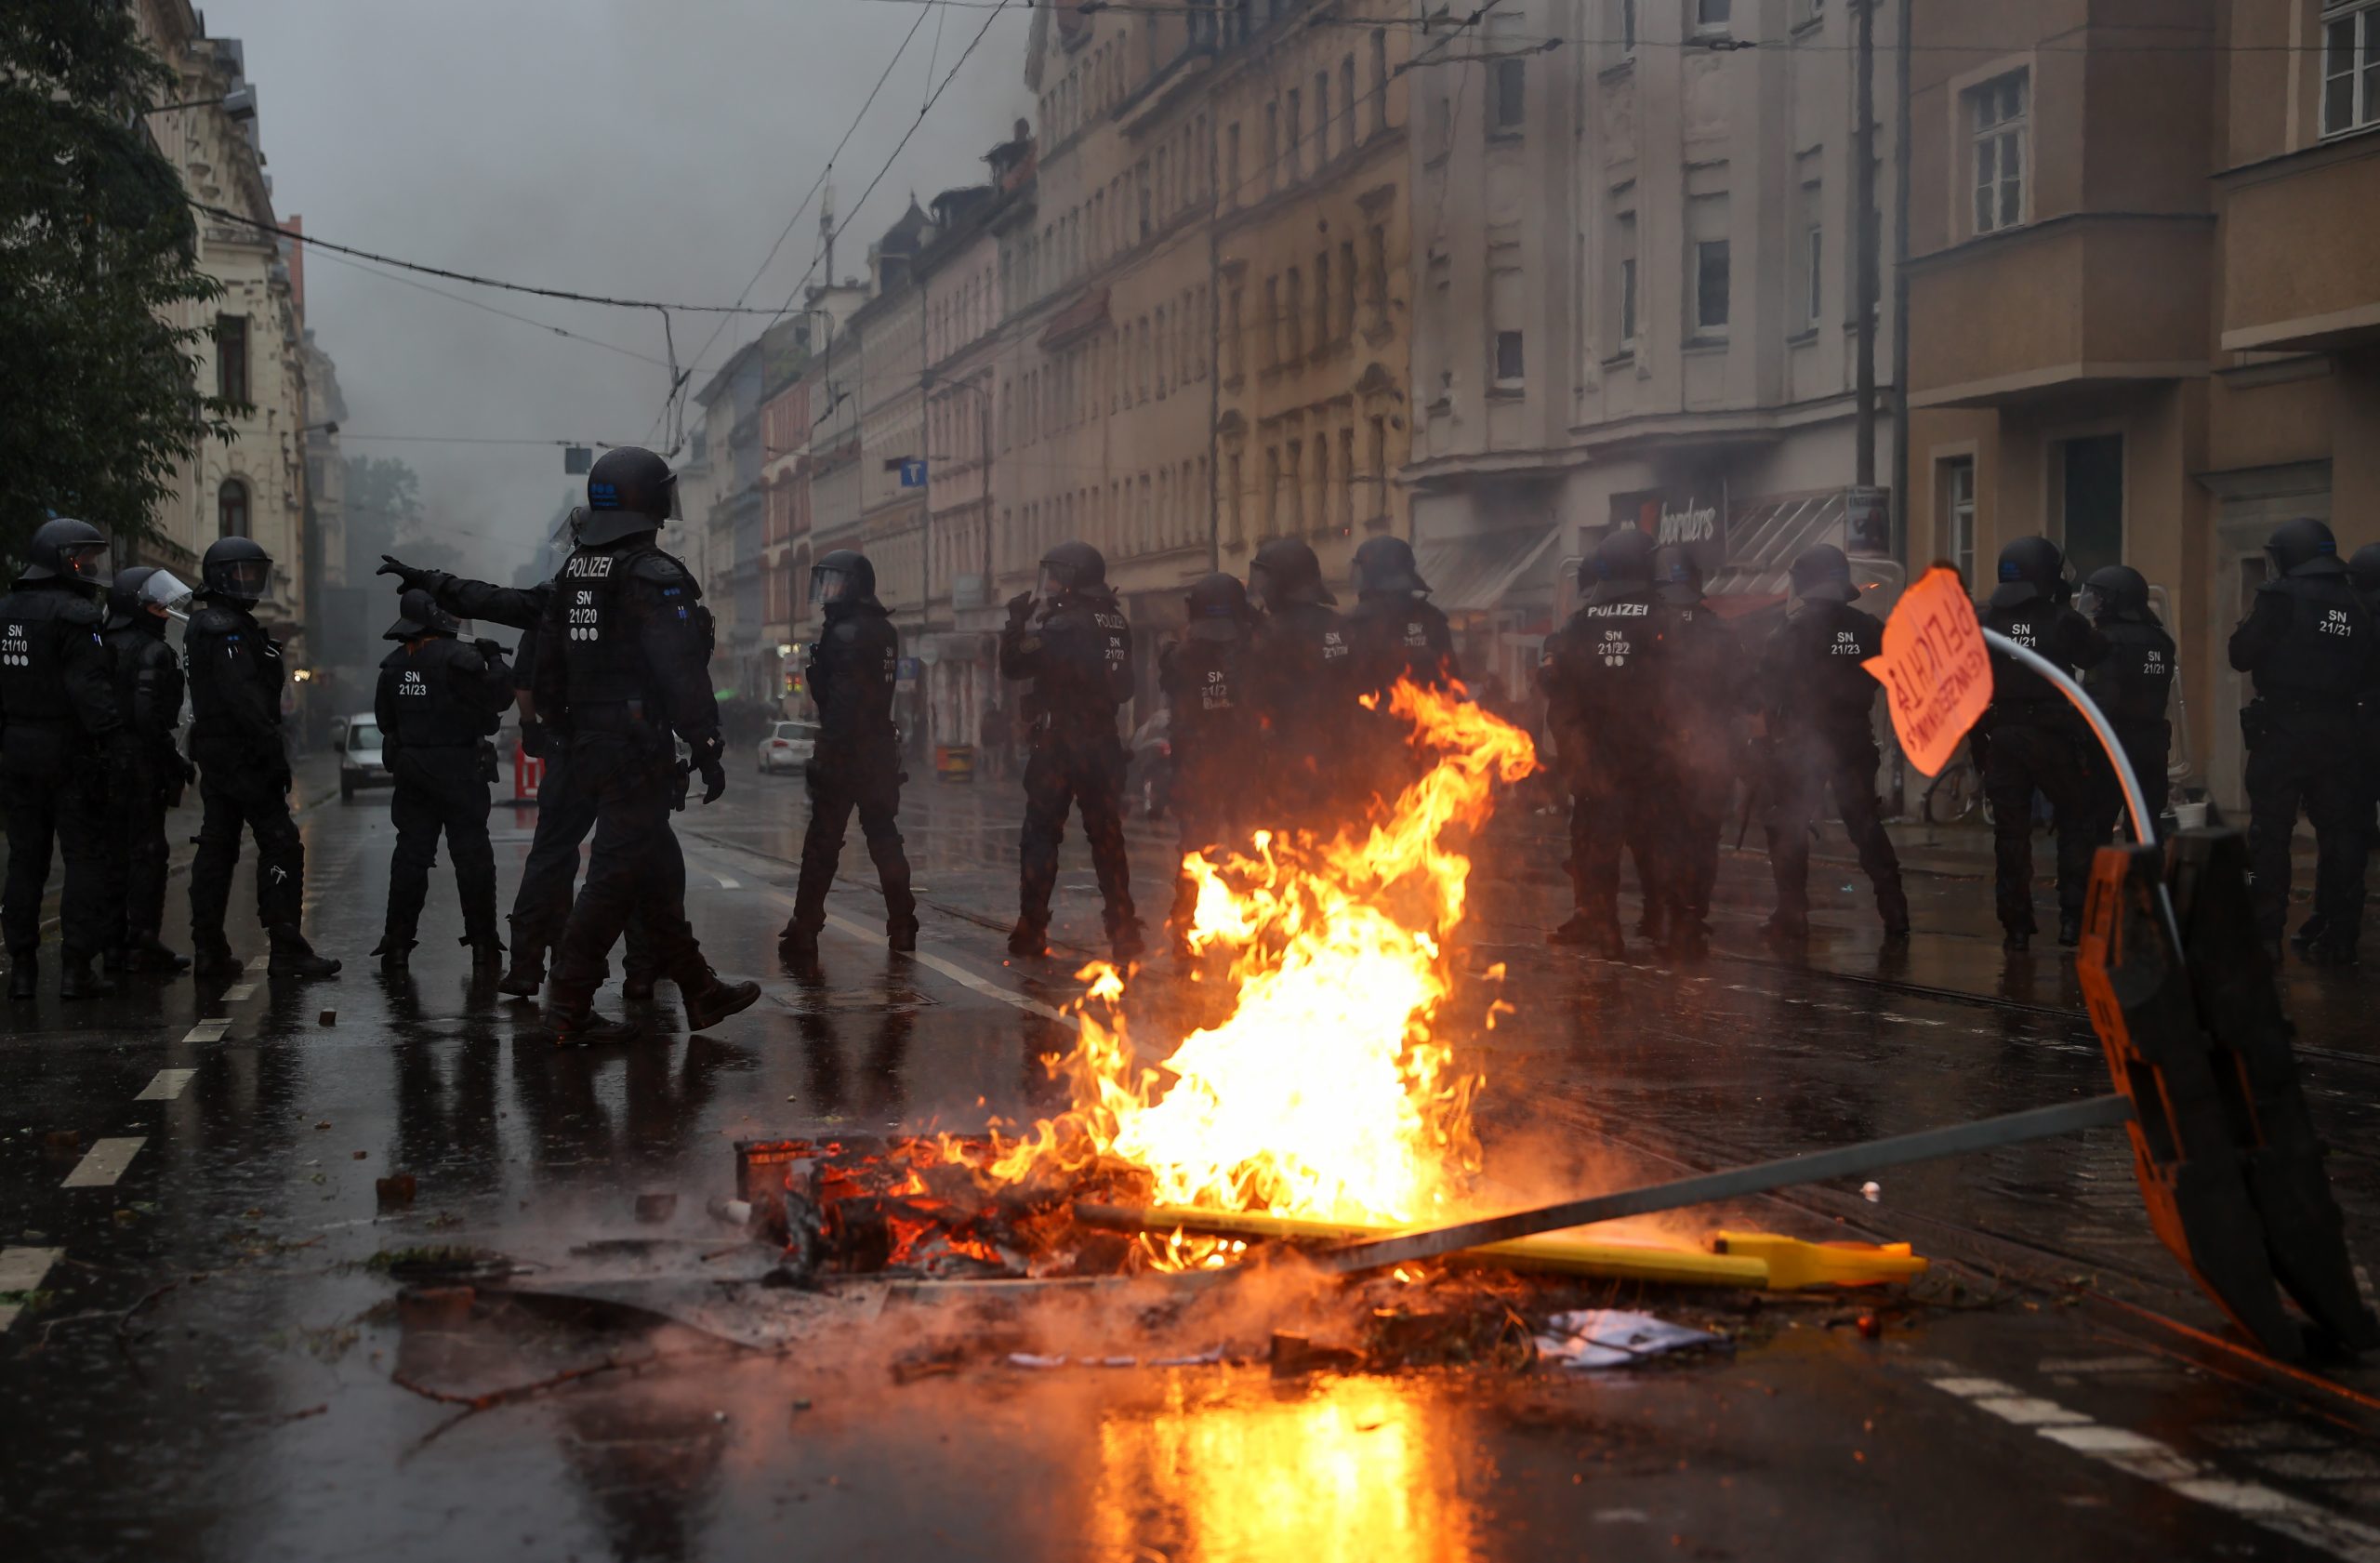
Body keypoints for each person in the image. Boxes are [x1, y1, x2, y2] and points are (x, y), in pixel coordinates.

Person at [378, 523, 663, 1000]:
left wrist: (532, 728)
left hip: (535, 749)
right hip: (611, 747)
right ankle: (622, 966)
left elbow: (501, 634)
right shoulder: (632, 592)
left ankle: (509, 960)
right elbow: (498, 697)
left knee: (538, 857)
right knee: (628, 855)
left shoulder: (395, 664)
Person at [533, 447, 760, 1042]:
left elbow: (549, 664)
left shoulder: (579, 571)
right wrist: (706, 742)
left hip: (594, 744)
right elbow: (679, 673)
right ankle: (568, 1007)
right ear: (649, 500)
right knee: (609, 883)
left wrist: (567, 729)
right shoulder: (651, 575)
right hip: (636, 752)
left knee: (656, 880)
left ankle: (701, 990)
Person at [184, 536, 340, 980]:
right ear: (219, 576)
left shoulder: (210, 624)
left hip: (219, 752)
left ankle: (208, 948)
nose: (251, 582)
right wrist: (270, 748)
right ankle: (285, 947)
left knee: (217, 846)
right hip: (243, 752)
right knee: (280, 843)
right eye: (242, 573)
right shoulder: (225, 627)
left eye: (255, 573)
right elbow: (243, 698)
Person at [2228, 516, 2377, 965]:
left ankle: (2268, 936)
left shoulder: (2279, 597)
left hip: (2284, 732)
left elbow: (2240, 654)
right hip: (2339, 733)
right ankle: (2342, 932)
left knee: (2270, 835)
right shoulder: (2356, 601)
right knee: (2341, 835)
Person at [1753, 544, 1910, 947]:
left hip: (1803, 740)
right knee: (1865, 824)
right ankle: (1895, 910)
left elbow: (1767, 697)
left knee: (1787, 825)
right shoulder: (1869, 628)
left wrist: (1766, 742)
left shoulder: (1787, 631)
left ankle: (1793, 914)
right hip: (1854, 736)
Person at [1000, 539, 1141, 961]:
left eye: (1058, 575)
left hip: (1063, 743)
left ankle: (1032, 927)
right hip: (1103, 743)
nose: (1053, 584)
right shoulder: (1116, 622)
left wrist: (1015, 624)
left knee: (1041, 835)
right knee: (1107, 837)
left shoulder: (1066, 626)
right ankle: (1124, 928)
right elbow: (1127, 686)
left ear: (1075, 578)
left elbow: (1014, 664)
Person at [776, 549, 917, 968]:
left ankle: (805, 929)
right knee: (884, 838)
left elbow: (839, 704)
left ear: (852, 586)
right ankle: (903, 922)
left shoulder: (845, 634)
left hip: (846, 751)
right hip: (877, 749)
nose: (825, 592)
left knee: (822, 844)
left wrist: (827, 757)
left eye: (833, 583)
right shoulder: (884, 630)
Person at [1, 518, 122, 1000]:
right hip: (68, 754)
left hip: (15, 753)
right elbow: (90, 694)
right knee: (82, 858)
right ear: (62, 560)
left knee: (24, 862)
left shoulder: (6, 613)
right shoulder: (77, 616)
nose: (91, 566)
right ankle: (76, 969)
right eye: (84, 558)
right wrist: (113, 745)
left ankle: (23, 972)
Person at [1540, 528, 1672, 956]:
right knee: (1653, 837)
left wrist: (1573, 753)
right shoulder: (1661, 618)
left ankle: (1604, 923)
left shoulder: (1580, 624)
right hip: (1649, 754)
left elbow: (1554, 684)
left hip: (1596, 756)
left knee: (1598, 840)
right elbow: (1685, 685)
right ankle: (1665, 921)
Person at [370, 588, 514, 970]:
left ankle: (397, 942)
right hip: (459, 768)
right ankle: (483, 942)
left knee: (411, 856)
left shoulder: (393, 665)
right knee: (472, 856)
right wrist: (495, 658)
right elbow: (498, 699)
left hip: (413, 768)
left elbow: (386, 721)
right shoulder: (462, 660)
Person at [1977, 536, 2106, 953]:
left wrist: (1980, 749)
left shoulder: (1985, 621)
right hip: (2053, 737)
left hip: (2002, 735)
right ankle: (2072, 919)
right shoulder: (2062, 620)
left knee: (2010, 834)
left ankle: (2015, 926)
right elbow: (2094, 656)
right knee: (2076, 822)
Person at [101, 566, 196, 975]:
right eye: (159, 606)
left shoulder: (100, 644)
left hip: (102, 763)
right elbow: (148, 716)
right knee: (149, 853)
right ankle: (142, 940)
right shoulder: (153, 651)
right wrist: (174, 761)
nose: (166, 613)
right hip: (140, 767)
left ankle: (111, 946)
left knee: (109, 854)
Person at [1160, 572, 1260, 955]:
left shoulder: (1180, 656)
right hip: (1242, 767)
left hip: (1196, 770)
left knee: (1192, 852)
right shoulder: (1253, 651)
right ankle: (1251, 932)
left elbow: (1170, 680)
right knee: (1245, 849)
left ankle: (1184, 934)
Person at [1649, 545, 1741, 954]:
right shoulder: (1721, 631)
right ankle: (1692, 911)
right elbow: (1745, 691)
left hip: (1663, 752)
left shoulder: (1650, 630)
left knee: (1666, 836)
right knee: (1703, 837)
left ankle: (1670, 908)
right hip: (1712, 753)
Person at [1246, 536, 1355, 829]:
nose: (1262, 587)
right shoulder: (1341, 627)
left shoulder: (1270, 635)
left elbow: (1252, 699)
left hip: (1289, 764)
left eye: (1266, 578)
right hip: (1343, 760)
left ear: (1283, 581)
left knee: (1291, 851)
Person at [1342, 536, 1461, 803]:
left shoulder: (1351, 626)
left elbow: (1338, 691)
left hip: (1366, 748)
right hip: (1425, 744)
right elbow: (1453, 683)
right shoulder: (1432, 620)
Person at [2078, 564, 2176, 843]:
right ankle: (2146, 885)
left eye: (2098, 597)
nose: (2094, 604)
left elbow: (2101, 699)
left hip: (2113, 746)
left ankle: (2096, 885)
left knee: (2096, 828)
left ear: (2115, 600)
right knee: (2146, 829)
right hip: (2152, 747)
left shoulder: (2107, 641)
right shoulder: (2161, 641)